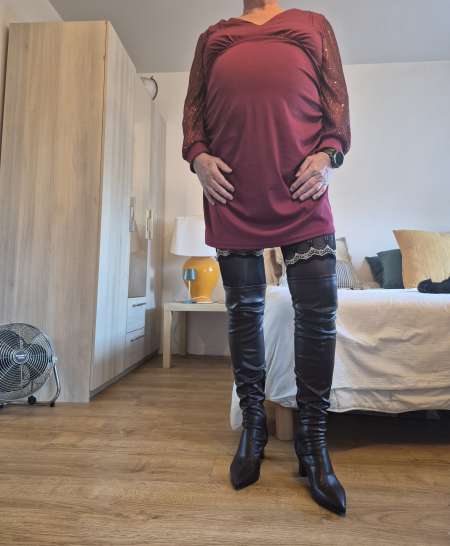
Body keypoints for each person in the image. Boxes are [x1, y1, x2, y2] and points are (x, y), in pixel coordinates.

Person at [181, 0, 351, 516]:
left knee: (318, 316)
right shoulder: (214, 37)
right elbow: (193, 112)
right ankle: (254, 429)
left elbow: (337, 107)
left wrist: (328, 157)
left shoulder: (312, 25)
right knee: (244, 311)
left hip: (303, 189)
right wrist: (198, 157)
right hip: (231, 191)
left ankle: (312, 442)